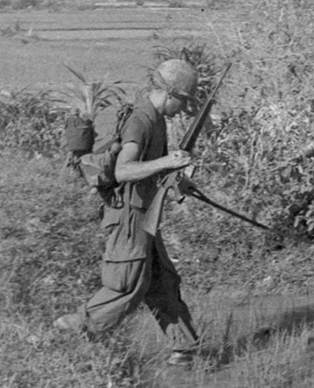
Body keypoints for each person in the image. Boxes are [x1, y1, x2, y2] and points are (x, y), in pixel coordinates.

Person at [54, 59, 201, 367]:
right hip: (127, 218)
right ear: (171, 94)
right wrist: (168, 163)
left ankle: (185, 351)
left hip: (144, 216)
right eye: (184, 102)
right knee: (127, 287)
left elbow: (152, 168)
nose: (184, 109)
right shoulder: (142, 120)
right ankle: (68, 334)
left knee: (163, 283)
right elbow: (123, 170)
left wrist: (180, 181)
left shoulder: (157, 118)